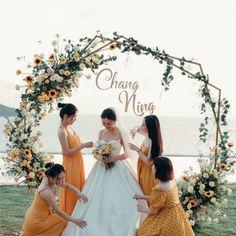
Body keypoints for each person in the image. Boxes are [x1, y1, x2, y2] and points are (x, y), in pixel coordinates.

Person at [62, 108, 146, 236]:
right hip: (100, 168)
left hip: (118, 167)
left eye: (109, 123)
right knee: (94, 199)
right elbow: (98, 148)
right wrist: (98, 156)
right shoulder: (101, 132)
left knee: (121, 200)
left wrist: (114, 158)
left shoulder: (121, 132)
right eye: (104, 123)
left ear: (114, 121)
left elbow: (128, 154)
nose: (106, 126)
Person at [21, 163, 88, 236]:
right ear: (51, 177)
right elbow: (58, 211)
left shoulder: (48, 179)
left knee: (61, 220)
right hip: (36, 221)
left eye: (63, 178)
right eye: (59, 178)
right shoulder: (47, 192)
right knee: (63, 221)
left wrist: (78, 192)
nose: (61, 181)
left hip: (35, 215)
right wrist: (76, 221)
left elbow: (67, 185)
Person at [135, 157, 195, 236]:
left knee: (143, 232)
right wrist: (142, 197)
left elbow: (154, 211)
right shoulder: (172, 182)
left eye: (154, 166)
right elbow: (160, 199)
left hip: (167, 217)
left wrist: (142, 209)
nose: (152, 167)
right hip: (176, 214)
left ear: (158, 170)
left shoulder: (160, 188)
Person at [57, 102, 93, 215]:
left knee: (80, 187)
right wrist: (83, 146)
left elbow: (75, 144)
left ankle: (80, 214)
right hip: (70, 164)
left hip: (78, 162)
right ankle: (71, 215)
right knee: (72, 189)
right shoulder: (62, 131)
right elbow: (67, 152)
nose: (75, 119)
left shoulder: (70, 128)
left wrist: (86, 145)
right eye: (73, 117)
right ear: (66, 116)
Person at [129, 115, 163, 196]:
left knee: (146, 192)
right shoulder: (147, 134)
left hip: (148, 173)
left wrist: (137, 149)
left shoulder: (153, 141)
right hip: (142, 169)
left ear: (149, 127)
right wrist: (134, 130)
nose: (141, 126)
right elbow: (136, 128)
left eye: (143, 124)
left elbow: (149, 162)